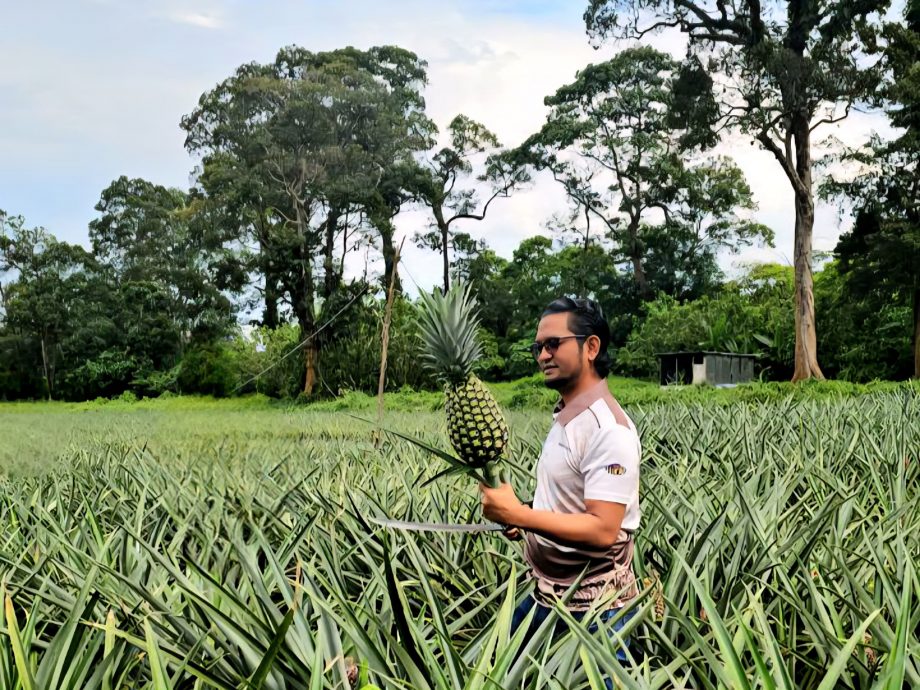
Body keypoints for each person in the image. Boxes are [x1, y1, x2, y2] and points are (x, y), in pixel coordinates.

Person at [480, 296, 641, 678]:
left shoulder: (609, 430)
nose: (543, 355)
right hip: (547, 595)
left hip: (598, 610)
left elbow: (603, 529)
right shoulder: (568, 417)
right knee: (494, 673)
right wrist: (526, 518)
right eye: (538, 347)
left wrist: (517, 513)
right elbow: (565, 501)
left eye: (554, 344)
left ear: (591, 347)